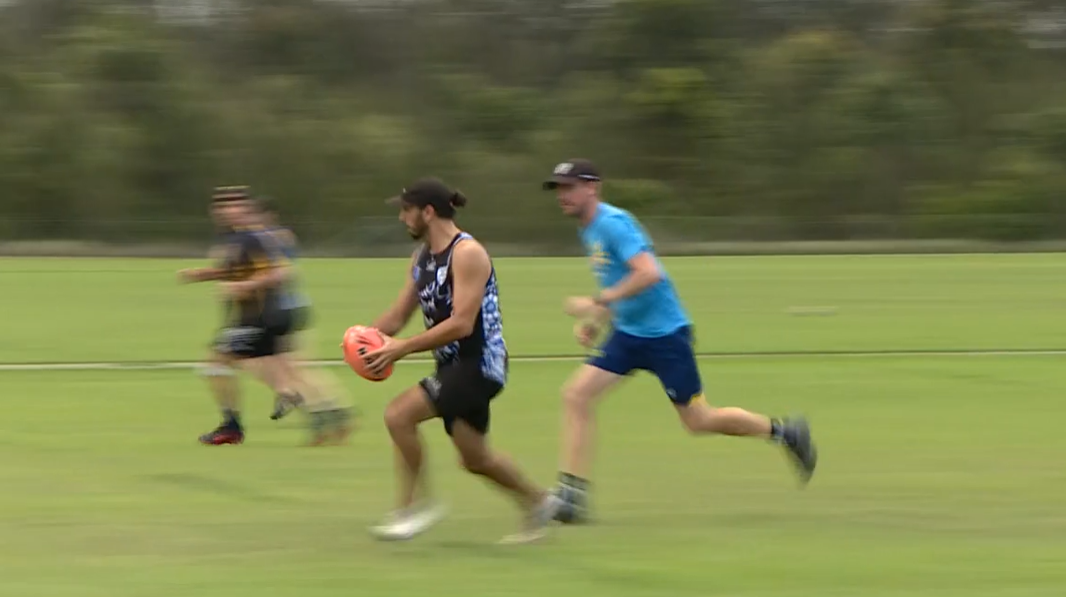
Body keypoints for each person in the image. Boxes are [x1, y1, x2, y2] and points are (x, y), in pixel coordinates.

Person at [541, 159, 818, 524]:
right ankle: (572, 498)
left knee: (699, 420)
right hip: (628, 334)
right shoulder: (588, 229)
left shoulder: (613, 224)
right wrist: (599, 319)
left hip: (665, 336)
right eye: (559, 189)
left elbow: (649, 273)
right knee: (576, 395)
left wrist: (597, 302)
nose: (563, 196)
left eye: (570, 187)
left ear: (592, 187)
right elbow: (620, 281)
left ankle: (785, 432)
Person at [359, 177, 557, 543]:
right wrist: (363, 339)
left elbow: (463, 324)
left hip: (481, 362)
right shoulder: (420, 259)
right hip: (452, 366)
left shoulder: (467, 253)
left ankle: (413, 507)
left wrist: (401, 348)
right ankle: (540, 502)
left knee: (398, 415)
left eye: (406, 210)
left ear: (428, 212)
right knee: (475, 459)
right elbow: (400, 314)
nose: (402, 218)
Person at [178, 186, 297, 446]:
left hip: (258, 317)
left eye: (235, 205)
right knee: (246, 362)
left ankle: (232, 426)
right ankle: (286, 391)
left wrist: (245, 286)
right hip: (250, 317)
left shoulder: (252, 238)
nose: (228, 211)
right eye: (223, 206)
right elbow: (232, 271)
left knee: (215, 365)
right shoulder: (235, 239)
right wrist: (202, 275)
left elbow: (281, 273)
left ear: (246, 210)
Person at [252, 196, 354, 445]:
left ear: (267, 216)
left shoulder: (272, 239)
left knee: (286, 369)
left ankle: (328, 415)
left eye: (254, 215)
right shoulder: (273, 239)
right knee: (293, 368)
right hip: (287, 309)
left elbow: (281, 272)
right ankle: (334, 413)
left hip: (284, 311)